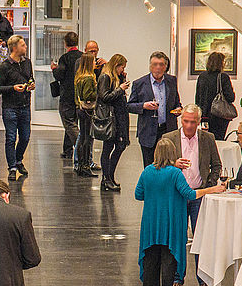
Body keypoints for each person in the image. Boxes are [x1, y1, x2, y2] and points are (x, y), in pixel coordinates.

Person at [135, 138, 224, 286]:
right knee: (169, 262)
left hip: (151, 224)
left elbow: (138, 194)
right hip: (170, 224)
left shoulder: (147, 172)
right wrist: (212, 189)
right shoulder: (175, 174)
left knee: (150, 262)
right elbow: (189, 194)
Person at [161, 104, 223, 286]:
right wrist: (173, 164)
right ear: (181, 120)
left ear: (199, 122)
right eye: (186, 121)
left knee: (201, 239)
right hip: (177, 196)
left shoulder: (208, 139)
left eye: (193, 122)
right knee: (177, 238)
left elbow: (216, 165)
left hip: (198, 195)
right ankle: (177, 279)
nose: (189, 125)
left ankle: (203, 280)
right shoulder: (169, 138)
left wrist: (209, 185)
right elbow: (158, 165)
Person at [128, 51, 182, 167]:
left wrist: (178, 108)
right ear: (150, 66)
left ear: (165, 66)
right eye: (155, 64)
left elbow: (176, 101)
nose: (158, 67)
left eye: (161, 64)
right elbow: (129, 106)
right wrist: (143, 105)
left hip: (168, 129)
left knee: (169, 164)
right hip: (148, 130)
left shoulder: (171, 81)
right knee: (150, 166)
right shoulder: (139, 83)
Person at [0, 35, 34, 181]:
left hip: (25, 105)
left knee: (25, 137)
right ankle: (12, 167)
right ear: (14, 48)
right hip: (10, 107)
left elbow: (30, 78)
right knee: (11, 138)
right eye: (23, 45)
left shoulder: (27, 63)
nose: (25, 47)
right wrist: (13, 88)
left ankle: (18, 160)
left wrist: (31, 84)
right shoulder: (4, 67)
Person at [96, 53, 131, 192]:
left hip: (119, 117)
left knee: (121, 145)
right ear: (116, 65)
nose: (123, 70)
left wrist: (122, 79)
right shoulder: (105, 77)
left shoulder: (116, 77)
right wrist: (120, 89)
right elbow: (104, 97)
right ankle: (106, 178)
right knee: (108, 148)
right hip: (111, 119)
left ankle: (109, 177)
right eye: (122, 67)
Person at [50, 32, 82, 160]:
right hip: (79, 95)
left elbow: (59, 75)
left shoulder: (65, 58)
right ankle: (67, 150)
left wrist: (54, 69)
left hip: (67, 95)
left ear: (65, 43)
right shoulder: (83, 57)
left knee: (69, 123)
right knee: (73, 121)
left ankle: (82, 149)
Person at [195, 52, 235, 141]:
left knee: (206, 140)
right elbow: (230, 97)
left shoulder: (202, 76)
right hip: (219, 115)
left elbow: (198, 97)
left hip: (204, 115)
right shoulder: (223, 77)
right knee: (218, 141)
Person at [73, 52, 98, 178]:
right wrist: (97, 92)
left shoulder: (79, 76)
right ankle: (85, 166)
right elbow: (88, 95)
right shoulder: (89, 78)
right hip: (88, 111)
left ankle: (80, 165)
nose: (95, 63)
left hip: (80, 109)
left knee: (82, 137)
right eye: (93, 61)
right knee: (87, 139)